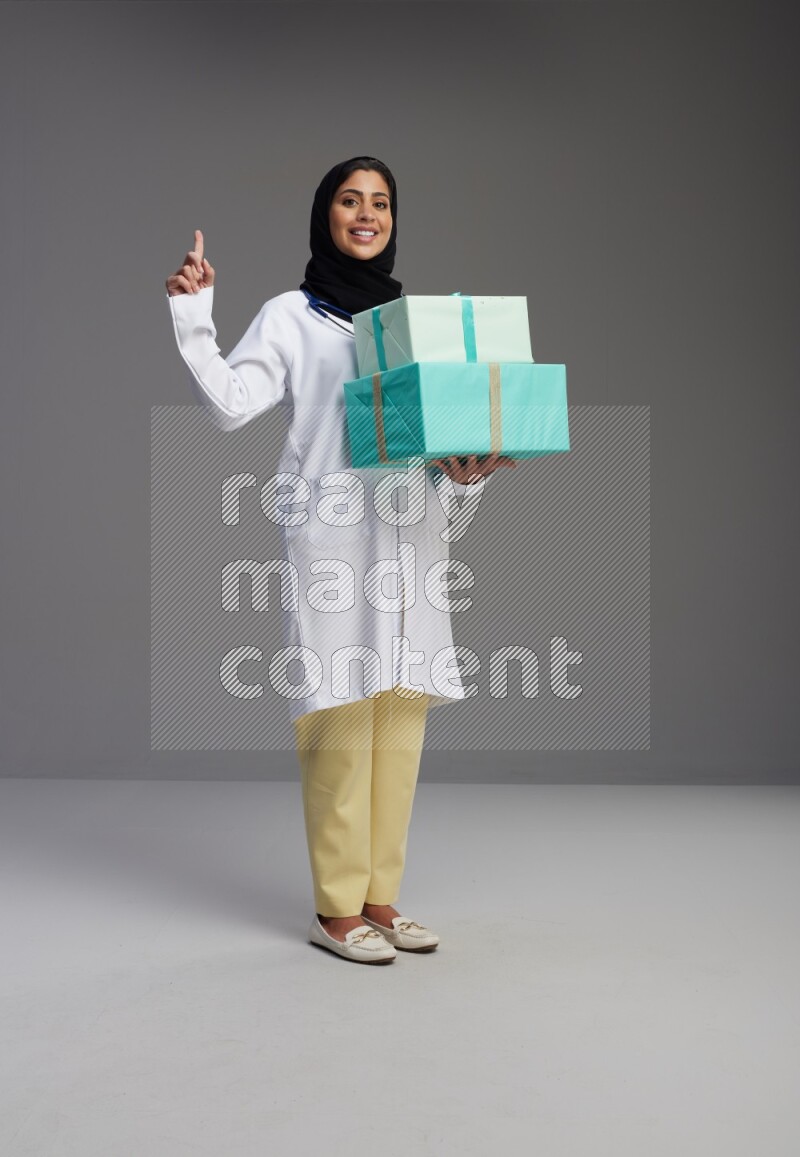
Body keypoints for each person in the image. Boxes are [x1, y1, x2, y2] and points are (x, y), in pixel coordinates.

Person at [165, 156, 516, 964]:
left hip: (414, 537)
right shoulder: (292, 315)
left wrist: (466, 484)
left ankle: (381, 898)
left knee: (400, 720)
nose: (367, 214)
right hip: (333, 541)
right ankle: (335, 909)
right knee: (335, 718)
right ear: (326, 214)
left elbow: (437, 448)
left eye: (381, 202)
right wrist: (193, 319)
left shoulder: (415, 328)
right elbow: (229, 408)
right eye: (351, 201)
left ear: (395, 219)